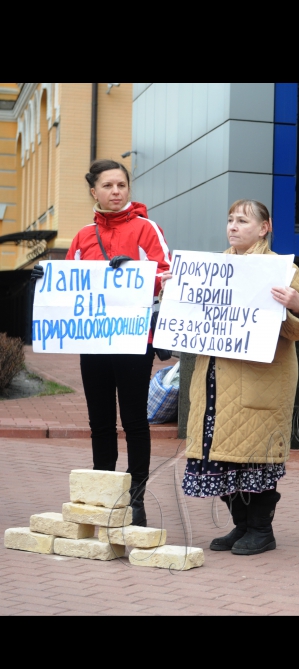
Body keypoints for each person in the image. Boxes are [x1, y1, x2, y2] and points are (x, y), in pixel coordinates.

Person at [31, 159, 171, 526]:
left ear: (129, 189)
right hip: (94, 343)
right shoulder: (81, 236)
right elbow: (69, 289)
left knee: (135, 420)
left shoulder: (146, 228)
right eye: (108, 186)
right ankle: (104, 493)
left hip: (133, 339)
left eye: (121, 185)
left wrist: (139, 276)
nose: (115, 192)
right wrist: (44, 279)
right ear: (94, 191)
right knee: (101, 421)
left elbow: (166, 274)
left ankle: (136, 498)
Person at [168, 200, 299, 556]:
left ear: (264, 228)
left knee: (253, 458)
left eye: (243, 221)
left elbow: (298, 330)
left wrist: (295, 305)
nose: (233, 227)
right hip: (214, 381)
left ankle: (261, 529)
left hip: (259, 382)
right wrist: (177, 291)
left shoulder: (281, 270)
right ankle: (242, 526)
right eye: (230, 219)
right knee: (218, 457)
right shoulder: (211, 269)